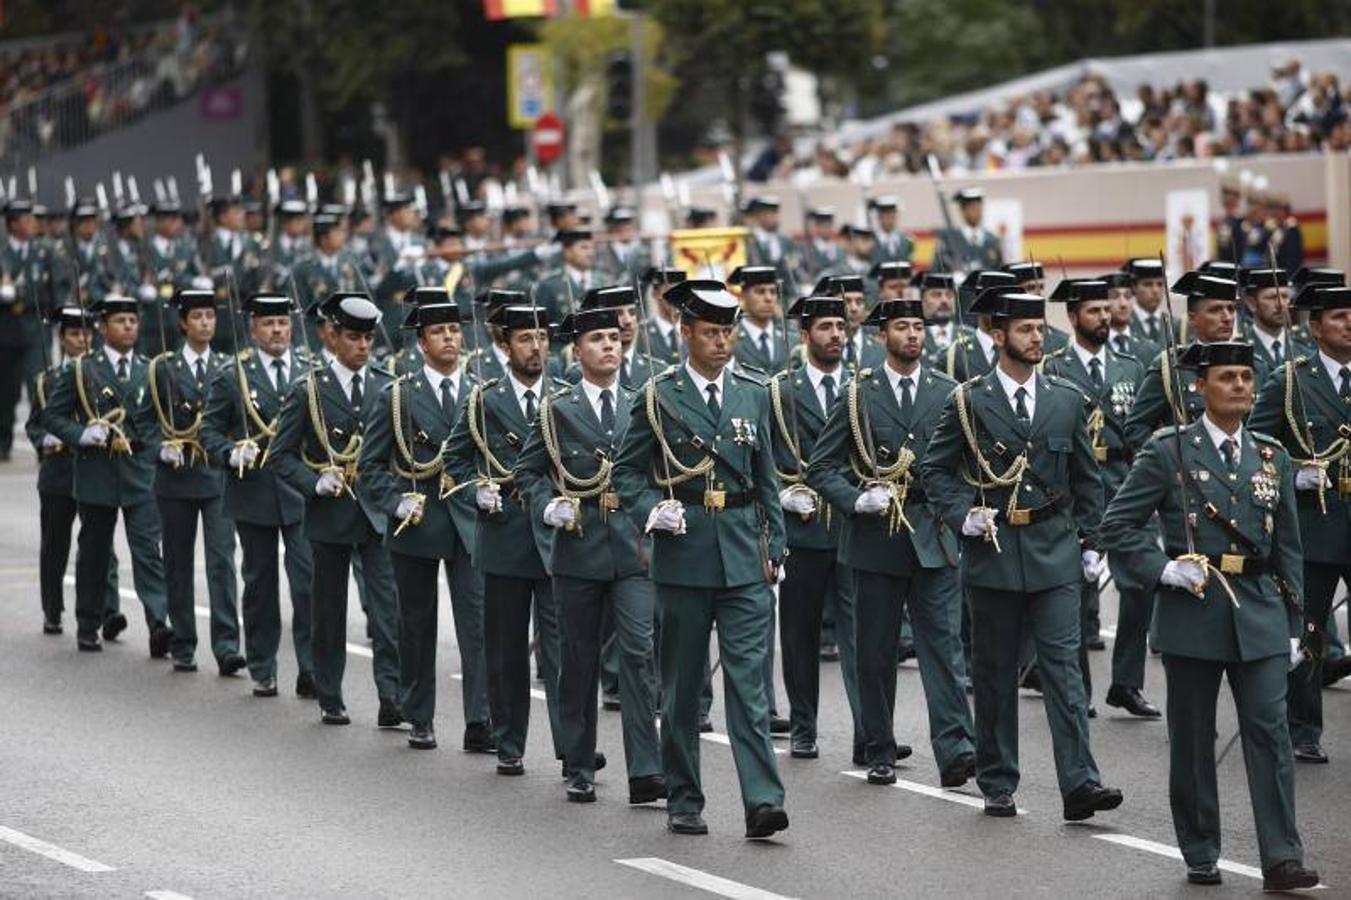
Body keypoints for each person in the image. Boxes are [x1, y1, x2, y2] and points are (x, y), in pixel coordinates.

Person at [1100, 341, 1318, 892]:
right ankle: (1200, 848)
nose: (1242, 386)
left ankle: (1282, 857)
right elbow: (1118, 525)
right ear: (1201, 387)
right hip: (1193, 608)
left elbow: (1288, 547)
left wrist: (1296, 625)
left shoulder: (1271, 454)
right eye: (1228, 377)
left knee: (1268, 732)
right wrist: (1162, 567)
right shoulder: (1168, 451)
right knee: (1195, 738)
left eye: (1247, 376)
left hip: (1261, 610)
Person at [921, 289, 1122, 821]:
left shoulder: (1066, 398)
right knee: (994, 674)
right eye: (1027, 329)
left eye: (1041, 328)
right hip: (994, 552)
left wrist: (1091, 541)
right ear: (997, 334)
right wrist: (963, 512)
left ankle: (1080, 783)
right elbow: (935, 470)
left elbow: (1087, 478)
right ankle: (997, 778)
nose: (1039, 338)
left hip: (1055, 552)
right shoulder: (968, 400)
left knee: (1064, 671)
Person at [613, 278, 789, 839]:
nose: (721, 342)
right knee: (683, 688)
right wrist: (650, 510)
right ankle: (684, 797)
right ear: (684, 332)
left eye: (727, 332)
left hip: (742, 556)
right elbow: (625, 474)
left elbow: (768, 478)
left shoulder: (754, 392)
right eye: (710, 332)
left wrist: (776, 546)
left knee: (749, 687)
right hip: (684, 555)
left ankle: (762, 800)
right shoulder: (658, 395)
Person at [807, 295, 976, 784]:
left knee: (943, 647)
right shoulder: (859, 393)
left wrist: (962, 513)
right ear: (883, 336)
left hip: (934, 531)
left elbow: (965, 464)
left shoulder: (949, 391)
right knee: (876, 650)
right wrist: (855, 501)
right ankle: (878, 745)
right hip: (876, 535)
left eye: (918, 327)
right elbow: (822, 466)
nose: (912, 336)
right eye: (902, 327)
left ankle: (956, 750)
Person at [515, 305, 665, 804]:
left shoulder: (642, 404)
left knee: (640, 656)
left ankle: (645, 769)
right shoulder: (557, 409)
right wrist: (547, 505)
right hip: (577, 549)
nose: (610, 346)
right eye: (598, 339)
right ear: (576, 351)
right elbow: (527, 472)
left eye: (615, 338)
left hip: (632, 551)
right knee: (577, 661)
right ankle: (578, 762)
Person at [357, 295, 492, 752]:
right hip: (418, 520)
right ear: (422, 342)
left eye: (455, 331)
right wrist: (393, 502)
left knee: (478, 625)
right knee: (416, 624)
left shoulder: (480, 391)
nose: (451, 339)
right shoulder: (398, 395)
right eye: (440, 332)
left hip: (469, 520)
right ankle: (420, 715)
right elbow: (370, 465)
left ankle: (481, 720)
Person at [444, 304, 565, 776]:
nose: (536, 347)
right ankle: (509, 740)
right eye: (524, 339)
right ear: (504, 345)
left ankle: (570, 745)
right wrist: (477, 491)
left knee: (563, 651)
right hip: (504, 532)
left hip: (557, 534)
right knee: (506, 648)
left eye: (541, 337)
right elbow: (454, 460)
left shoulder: (565, 395)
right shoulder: (484, 400)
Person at [271, 293, 401, 726]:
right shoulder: (309, 390)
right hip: (330, 515)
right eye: (353, 337)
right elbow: (281, 455)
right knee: (328, 611)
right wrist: (314, 482)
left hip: (377, 512)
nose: (363, 346)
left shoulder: (387, 384)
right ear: (333, 338)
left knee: (387, 610)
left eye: (368, 338)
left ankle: (391, 695)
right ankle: (330, 693)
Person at [1042, 279, 1159, 718]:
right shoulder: (1053, 367)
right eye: (1093, 311)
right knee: (1076, 590)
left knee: (1140, 584)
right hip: (1076, 488)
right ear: (1073, 317)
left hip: (1125, 483)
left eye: (1106, 310)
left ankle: (1126, 683)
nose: (1104, 318)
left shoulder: (1132, 365)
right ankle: (1078, 689)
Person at [1249, 281, 1351, 762]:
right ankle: (1303, 727)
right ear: (1315, 327)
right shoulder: (1289, 380)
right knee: (1308, 631)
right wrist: (1292, 473)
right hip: (1315, 525)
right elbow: (1254, 448)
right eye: (1338, 317)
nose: (1349, 324)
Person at [200, 292, 316, 699]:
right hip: (254, 491)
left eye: (283, 322)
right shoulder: (235, 374)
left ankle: (312, 668)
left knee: (308, 584)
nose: (278, 330)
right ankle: (263, 666)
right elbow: (208, 430)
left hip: (302, 493)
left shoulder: (309, 368)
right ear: (253, 329)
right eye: (269, 324)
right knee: (260, 585)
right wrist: (230, 452)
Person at [42, 295, 172, 656]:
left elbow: (160, 419)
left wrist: (158, 445)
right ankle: (88, 623)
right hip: (96, 470)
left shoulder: (150, 369)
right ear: (102, 328)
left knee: (147, 551)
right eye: (120, 321)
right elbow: (51, 417)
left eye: (132, 320)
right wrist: (82, 434)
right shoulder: (81, 370)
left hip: (138, 471)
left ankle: (158, 623)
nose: (128, 327)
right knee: (95, 552)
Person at [771, 296, 866, 760]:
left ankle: (869, 731)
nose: (836, 335)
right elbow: (763, 459)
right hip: (803, 530)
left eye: (841, 326)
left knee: (861, 636)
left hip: (852, 526)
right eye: (825, 327)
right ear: (804, 336)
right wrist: (781, 493)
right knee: (799, 634)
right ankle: (803, 726)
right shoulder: (780, 392)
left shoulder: (860, 387)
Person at [140, 288, 243, 674]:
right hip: (176, 479)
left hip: (216, 476)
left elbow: (237, 419)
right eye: (197, 317)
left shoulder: (228, 366)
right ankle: (183, 642)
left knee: (221, 563)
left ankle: (227, 645)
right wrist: (160, 448)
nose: (205, 323)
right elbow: (144, 421)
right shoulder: (163, 369)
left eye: (210, 316)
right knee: (178, 564)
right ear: (182, 322)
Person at [27, 307, 121, 635]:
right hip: (60, 469)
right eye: (74, 335)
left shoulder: (100, 373)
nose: (82, 340)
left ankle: (108, 610)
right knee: (55, 544)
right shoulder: (47, 380)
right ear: (62, 338)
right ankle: (53, 609)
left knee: (101, 544)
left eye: (86, 334)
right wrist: (46, 438)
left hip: (95, 466)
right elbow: (34, 424)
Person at [1123, 273, 1238, 450]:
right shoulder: (1170, 366)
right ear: (1192, 318)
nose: (1227, 317)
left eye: (1231, 309)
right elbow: (1136, 428)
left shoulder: (1253, 364)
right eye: (1215, 310)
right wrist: (1168, 462)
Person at [3, 198, 60, 462]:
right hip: (6, 334)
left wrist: (60, 320)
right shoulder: (2, 252)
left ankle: (43, 444)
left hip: (37, 331)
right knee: (5, 393)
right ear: (13, 224)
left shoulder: (45, 252)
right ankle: (3, 442)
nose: (32, 223)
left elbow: (56, 290)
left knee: (41, 389)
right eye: (26, 219)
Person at [730, 266, 787, 374]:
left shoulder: (790, 338)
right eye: (760, 292)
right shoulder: (731, 339)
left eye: (773, 292)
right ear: (743, 295)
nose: (768, 298)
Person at [934, 188, 1002, 273]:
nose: (976, 211)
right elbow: (937, 269)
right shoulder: (949, 238)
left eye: (978, 207)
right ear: (963, 210)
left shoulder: (992, 239)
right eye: (971, 207)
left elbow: (999, 269)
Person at [868, 196, 914, 263]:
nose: (889, 221)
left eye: (892, 216)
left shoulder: (906, 240)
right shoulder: (871, 241)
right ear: (879, 218)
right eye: (885, 216)